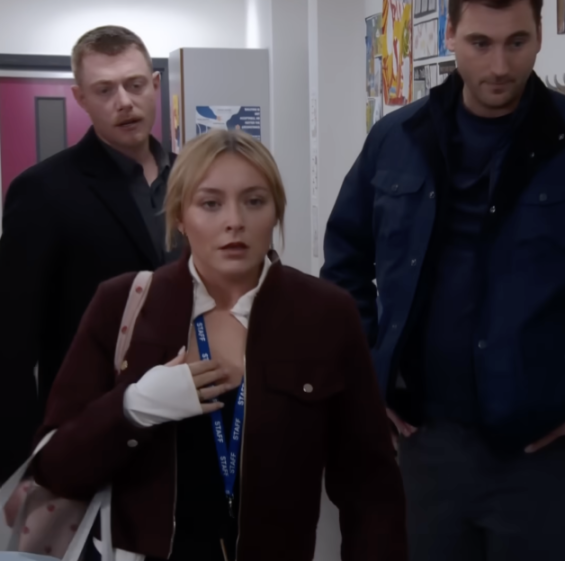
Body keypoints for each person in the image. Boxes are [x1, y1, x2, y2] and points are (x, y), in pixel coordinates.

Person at [321, 0, 565, 559]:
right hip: (424, 446)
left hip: (539, 458)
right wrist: (367, 370)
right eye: (481, 43)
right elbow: (344, 261)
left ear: (540, 37)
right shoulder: (395, 140)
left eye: (517, 42)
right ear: (451, 34)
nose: (500, 66)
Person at [30, 129, 407, 561]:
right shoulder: (123, 305)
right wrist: (134, 408)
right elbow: (55, 468)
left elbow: (370, 484)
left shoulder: (324, 313)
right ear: (179, 217)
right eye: (211, 203)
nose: (235, 221)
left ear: (276, 213)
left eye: (254, 201)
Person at [0, 26, 177, 485]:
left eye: (133, 84)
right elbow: (7, 346)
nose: (123, 102)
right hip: (90, 427)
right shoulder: (45, 191)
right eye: (104, 90)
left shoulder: (196, 179)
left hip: (192, 421)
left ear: (154, 84)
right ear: (80, 98)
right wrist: (17, 468)